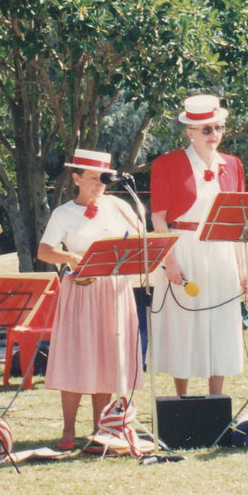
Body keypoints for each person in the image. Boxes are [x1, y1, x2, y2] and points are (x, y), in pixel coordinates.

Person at [37, 149, 144, 450]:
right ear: (76, 178)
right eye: (93, 178)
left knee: (108, 356)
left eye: (104, 179)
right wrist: (72, 257)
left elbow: (141, 241)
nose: (99, 184)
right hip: (81, 290)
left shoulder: (120, 207)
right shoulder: (63, 213)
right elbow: (44, 251)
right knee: (76, 356)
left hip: (114, 290)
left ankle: (103, 429)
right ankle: (68, 432)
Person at [149, 94, 248, 397]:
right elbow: (158, 218)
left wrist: (243, 269)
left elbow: (237, 223)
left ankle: (216, 398)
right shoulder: (167, 163)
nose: (214, 135)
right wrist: (170, 261)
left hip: (221, 251)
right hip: (184, 248)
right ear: (190, 132)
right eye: (207, 129)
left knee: (220, 321)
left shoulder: (232, 165)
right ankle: (181, 398)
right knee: (184, 323)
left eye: (218, 128)